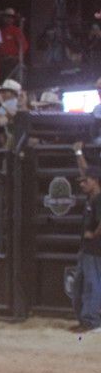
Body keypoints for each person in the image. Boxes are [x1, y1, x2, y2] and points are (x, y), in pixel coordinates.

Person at [69, 142, 101, 332]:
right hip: (88, 249)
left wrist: (93, 234)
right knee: (82, 284)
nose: (82, 184)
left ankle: (91, 320)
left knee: (91, 283)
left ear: (95, 181)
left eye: (85, 181)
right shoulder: (94, 197)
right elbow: (85, 170)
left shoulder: (98, 199)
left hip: (94, 249)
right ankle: (86, 319)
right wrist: (78, 152)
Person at [0, 8, 28, 81]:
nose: (9, 19)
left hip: (12, 62)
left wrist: (17, 57)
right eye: (7, 16)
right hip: (1, 62)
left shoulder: (16, 30)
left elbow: (24, 46)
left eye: (11, 17)